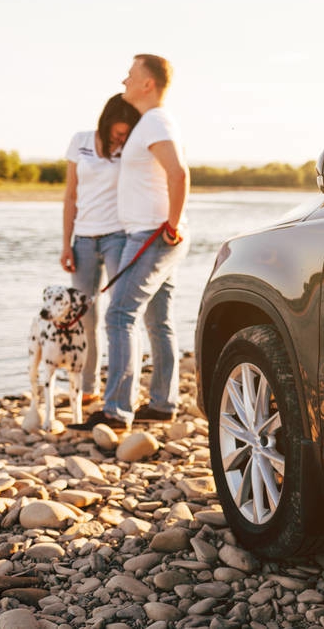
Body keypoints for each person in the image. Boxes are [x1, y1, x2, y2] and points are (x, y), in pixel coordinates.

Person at [74, 54, 190, 431]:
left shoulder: (156, 121)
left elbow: (178, 173)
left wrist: (170, 225)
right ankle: (161, 403)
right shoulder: (149, 123)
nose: (124, 78)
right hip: (152, 233)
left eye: (131, 73)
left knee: (119, 314)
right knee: (158, 321)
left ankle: (116, 411)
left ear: (148, 84)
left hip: (152, 235)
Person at [60, 93, 141, 403]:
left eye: (126, 133)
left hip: (118, 238)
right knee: (84, 316)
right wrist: (66, 243)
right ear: (106, 122)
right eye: (118, 132)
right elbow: (71, 196)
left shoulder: (130, 149)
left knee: (120, 313)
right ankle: (88, 387)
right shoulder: (79, 141)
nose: (121, 138)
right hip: (82, 240)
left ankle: (122, 391)